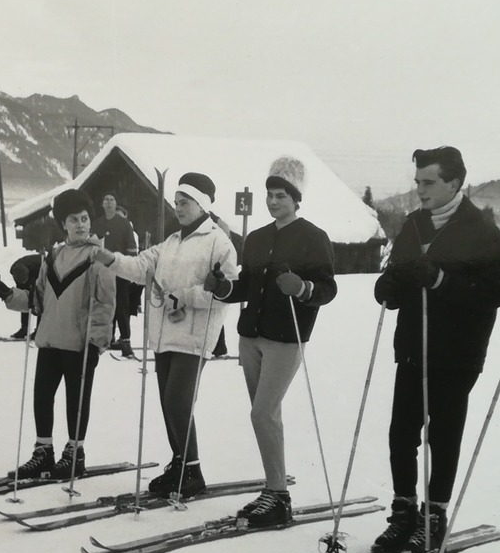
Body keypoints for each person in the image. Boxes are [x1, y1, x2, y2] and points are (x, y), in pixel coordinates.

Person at [370, 146, 500, 553]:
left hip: (456, 352)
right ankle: (403, 513)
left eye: (428, 182)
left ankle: (433, 516)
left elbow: (492, 294)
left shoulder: (484, 233)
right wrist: (389, 288)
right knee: (402, 432)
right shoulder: (414, 225)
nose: (419, 190)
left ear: (455, 182)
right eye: (417, 182)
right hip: (413, 346)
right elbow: (395, 272)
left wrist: (440, 280)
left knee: (442, 434)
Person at [205, 157, 337, 526]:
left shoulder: (314, 237)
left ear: (296, 199)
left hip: (286, 339)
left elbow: (327, 288)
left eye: (281, 195)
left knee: (262, 412)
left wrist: (303, 288)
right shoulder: (258, 238)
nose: (274, 201)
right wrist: (223, 288)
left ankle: (279, 494)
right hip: (251, 337)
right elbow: (246, 285)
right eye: (270, 195)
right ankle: (273, 490)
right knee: (266, 416)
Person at [92, 172, 238, 498]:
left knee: (178, 401)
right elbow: (141, 266)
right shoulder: (171, 242)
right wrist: (110, 259)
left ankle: (193, 471)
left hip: (194, 334)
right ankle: (180, 464)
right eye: (176, 202)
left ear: (202, 204)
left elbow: (226, 291)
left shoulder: (218, 242)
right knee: (168, 404)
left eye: (184, 202)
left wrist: (185, 296)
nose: (179, 207)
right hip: (163, 333)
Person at [0, 189, 117, 480]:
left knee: (76, 399)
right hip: (49, 339)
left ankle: (75, 454)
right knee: (42, 396)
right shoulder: (53, 256)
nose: (81, 225)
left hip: (79, 345)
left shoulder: (99, 259)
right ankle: (43, 452)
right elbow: (38, 301)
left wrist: (97, 342)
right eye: (74, 219)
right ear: (63, 224)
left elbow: (105, 304)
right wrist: (10, 295)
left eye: (85, 218)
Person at [91, 192, 139, 357]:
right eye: (106, 199)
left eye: (112, 199)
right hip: (101, 272)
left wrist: (130, 268)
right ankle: (106, 339)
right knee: (103, 304)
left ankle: (125, 341)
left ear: (115, 203)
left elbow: (132, 248)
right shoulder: (96, 224)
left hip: (119, 271)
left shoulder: (125, 224)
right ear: (102, 204)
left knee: (122, 306)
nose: (109, 202)